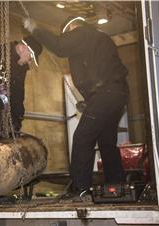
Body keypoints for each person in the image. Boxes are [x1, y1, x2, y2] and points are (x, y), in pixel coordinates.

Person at [24, 16, 129, 200]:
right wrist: (91, 101)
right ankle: (116, 185)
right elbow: (98, 70)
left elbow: (59, 46)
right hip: (117, 94)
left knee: (82, 137)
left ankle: (80, 189)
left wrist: (35, 30)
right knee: (106, 142)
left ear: (72, 27)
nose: (68, 40)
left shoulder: (81, 32)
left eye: (67, 35)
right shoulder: (99, 39)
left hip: (107, 93)